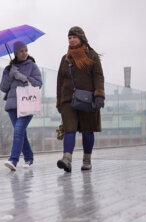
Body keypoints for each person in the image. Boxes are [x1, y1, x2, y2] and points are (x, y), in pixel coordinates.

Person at [56, 26, 105, 172]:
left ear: (81, 38)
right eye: (69, 38)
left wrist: (99, 95)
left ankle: (87, 160)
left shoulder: (92, 56)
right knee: (69, 129)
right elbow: (59, 81)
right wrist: (59, 101)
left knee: (87, 130)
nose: (71, 40)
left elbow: (98, 76)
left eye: (74, 37)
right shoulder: (65, 59)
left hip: (88, 99)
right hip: (68, 100)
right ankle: (67, 159)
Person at [0, 41, 43, 171]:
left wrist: (23, 77)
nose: (24, 53)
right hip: (12, 106)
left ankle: (13, 160)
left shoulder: (32, 66)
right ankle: (29, 158)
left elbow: (38, 84)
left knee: (18, 132)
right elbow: (3, 87)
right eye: (21, 51)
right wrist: (11, 75)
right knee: (21, 133)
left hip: (27, 104)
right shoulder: (8, 69)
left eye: (26, 50)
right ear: (16, 53)